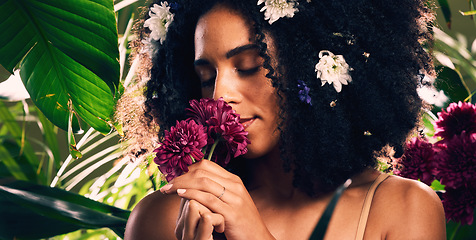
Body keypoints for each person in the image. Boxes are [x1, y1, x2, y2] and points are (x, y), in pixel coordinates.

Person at [123, 0, 446, 239]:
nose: (220, 94)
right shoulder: (162, 219)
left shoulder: (404, 209)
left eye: (248, 66)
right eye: (206, 77)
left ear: (307, 64)